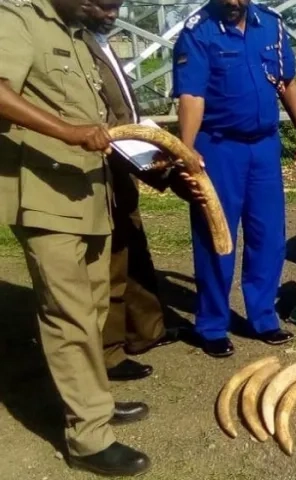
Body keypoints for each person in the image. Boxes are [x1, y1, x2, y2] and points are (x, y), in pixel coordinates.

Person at [0, 0, 152, 475]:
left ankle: (94, 404)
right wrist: (68, 132)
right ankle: (88, 438)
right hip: (44, 195)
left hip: (88, 193)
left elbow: (100, 119)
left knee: (93, 307)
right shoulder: (18, 17)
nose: (103, 7)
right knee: (67, 315)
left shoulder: (75, 31)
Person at [171, 0, 296, 358]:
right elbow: (191, 95)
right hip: (219, 148)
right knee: (216, 236)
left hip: (264, 147)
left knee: (268, 235)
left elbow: (287, 82)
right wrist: (187, 153)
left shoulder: (271, 24)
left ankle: (263, 317)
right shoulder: (197, 31)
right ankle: (212, 325)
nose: (234, 2)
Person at [80, 0, 191, 382]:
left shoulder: (102, 42)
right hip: (101, 169)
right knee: (111, 261)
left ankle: (147, 331)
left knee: (135, 250)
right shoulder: (77, 45)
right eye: (104, 7)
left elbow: (125, 111)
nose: (112, 14)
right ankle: (110, 353)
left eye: (116, 7)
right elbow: (104, 121)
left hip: (125, 164)